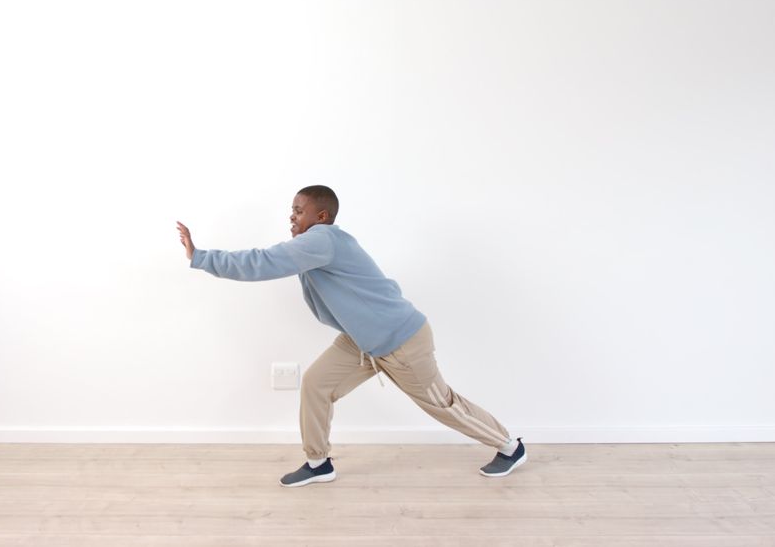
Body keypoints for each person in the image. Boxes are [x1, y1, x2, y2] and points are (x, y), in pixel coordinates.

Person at [176, 185, 526, 487]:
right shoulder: (317, 244)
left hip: (401, 340)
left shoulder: (322, 240)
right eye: (291, 211)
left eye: (299, 211)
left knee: (444, 405)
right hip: (362, 340)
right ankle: (318, 463)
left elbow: (263, 261)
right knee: (316, 384)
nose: (292, 217)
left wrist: (201, 257)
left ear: (322, 215)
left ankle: (510, 447)